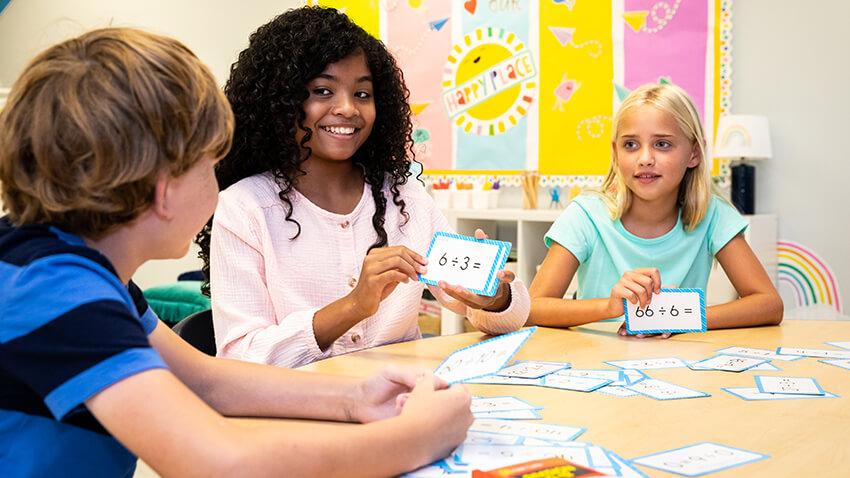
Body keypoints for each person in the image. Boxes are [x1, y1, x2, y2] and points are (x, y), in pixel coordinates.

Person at [0, 27, 472, 477]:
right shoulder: (56, 293)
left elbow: (205, 380)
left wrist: (355, 397)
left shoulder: (78, 271)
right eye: (211, 164)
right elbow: (220, 464)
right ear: (165, 188)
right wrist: (419, 436)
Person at [196, 6, 530, 368]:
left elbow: (507, 317)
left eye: (362, 94)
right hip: (300, 411)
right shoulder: (243, 208)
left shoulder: (406, 198)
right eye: (322, 91)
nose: (347, 109)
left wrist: (494, 297)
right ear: (280, 101)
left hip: (402, 402)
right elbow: (241, 358)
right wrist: (352, 306)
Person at [528, 83, 782, 336]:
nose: (645, 158)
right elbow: (533, 308)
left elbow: (769, 304)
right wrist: (609, 307)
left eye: (662, 144)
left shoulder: (713, 215)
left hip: (682, 365)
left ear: (694, 153)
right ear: (616, 153)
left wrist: (680, 316)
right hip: (598, 366)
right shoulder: (586, 215)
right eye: (631, 145)